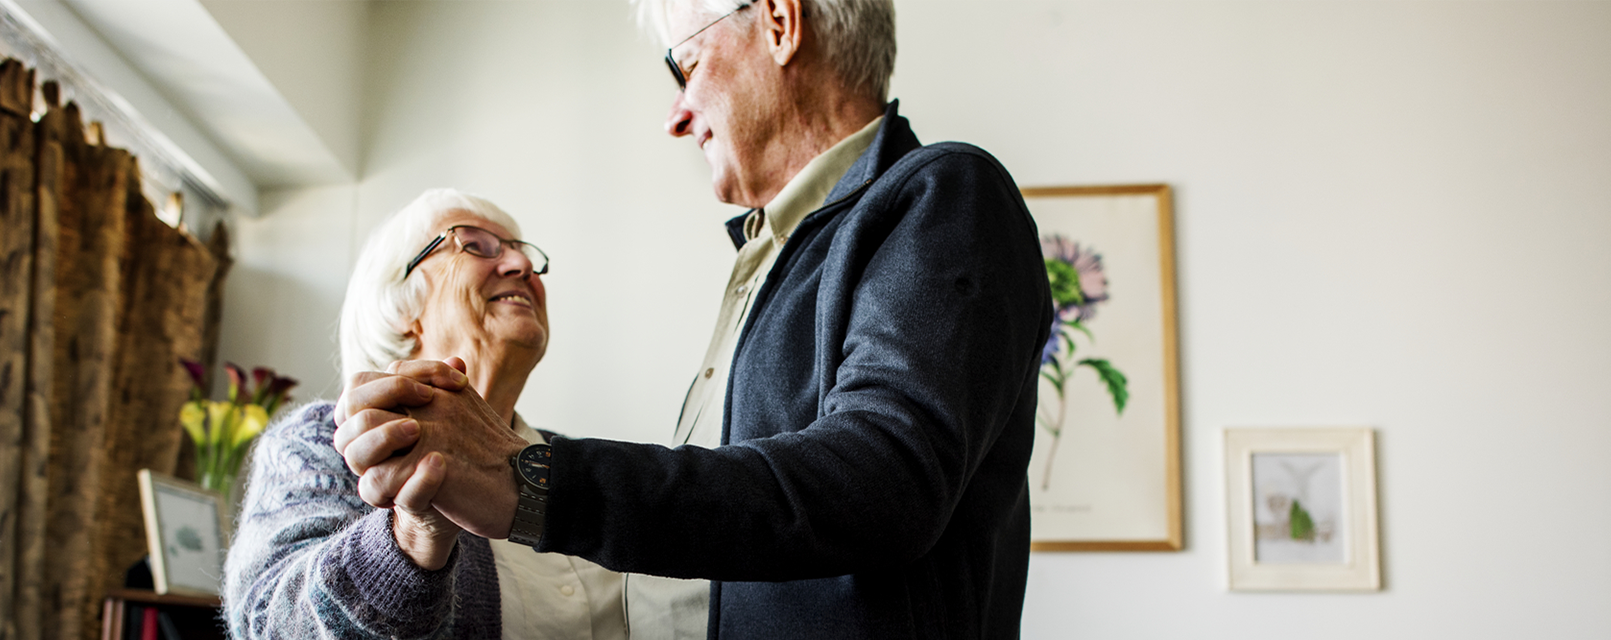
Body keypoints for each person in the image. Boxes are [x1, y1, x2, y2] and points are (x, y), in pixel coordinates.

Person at [335, 0, 1052, 637]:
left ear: (779, 22)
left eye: (686, 67)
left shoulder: (945, 194)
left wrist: (532, 481)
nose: (677, 118)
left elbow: (883, 480)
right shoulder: (775, 257)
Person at [221, 189, 628, 640]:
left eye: (522, 251)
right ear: (401, 307)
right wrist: (411, 538)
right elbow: (270, 625)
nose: (522, 266)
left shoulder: (571, 462)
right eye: (475, 244)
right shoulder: (321, 444)